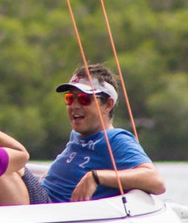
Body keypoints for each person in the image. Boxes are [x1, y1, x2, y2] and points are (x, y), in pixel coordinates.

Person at [31, 63, 166, 203]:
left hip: (48, 209)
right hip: (37, 204)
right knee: (11, 163)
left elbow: (156, 181)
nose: (75, 106)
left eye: (84, 99)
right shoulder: (77, 135)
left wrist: (96, 177)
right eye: (70, 98)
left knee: (9, 162)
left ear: (108, 104)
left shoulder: (115, 139)